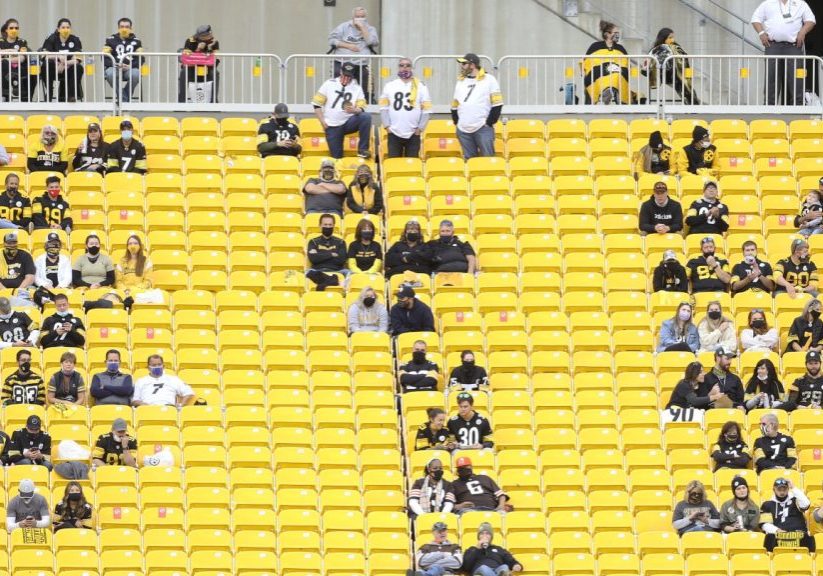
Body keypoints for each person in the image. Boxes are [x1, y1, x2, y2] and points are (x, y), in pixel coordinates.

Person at [751, 0, 816, 106]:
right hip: (772, 46)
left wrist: (803, 32)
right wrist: (761, 33)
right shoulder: (768, 3)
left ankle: (797, 108)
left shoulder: (800, 3)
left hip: (794, 46)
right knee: (771, 77)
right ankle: (769, 107)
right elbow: (755, 19)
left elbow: (811, 20)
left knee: (796, 78)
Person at [311, 62, 371, 160]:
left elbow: (362, 107)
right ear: (341, 72)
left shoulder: (357, 87)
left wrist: (355, 110)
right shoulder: (329, 84)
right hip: (332, 125)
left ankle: (363, 149)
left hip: (348, 122)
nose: (346, 78)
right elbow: (316, 104)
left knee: (365, 117)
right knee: (336, 157)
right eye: (345, 75)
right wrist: (322, 121)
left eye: (349, 76)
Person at [452, 53, 503, 159]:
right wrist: (457, 122)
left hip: (482, 127)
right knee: (469, 161)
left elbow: (497, 103)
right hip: (463, 129)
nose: (462, 66)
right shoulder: (461, 81)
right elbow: (455, 104)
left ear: (472, 65)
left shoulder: (489, 79)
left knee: (488, 159)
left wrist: (489, 123)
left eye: (464, 64)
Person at [380, 57, 432, 158]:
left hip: (413, 133)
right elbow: (383, 108)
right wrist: (387, 126)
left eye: (408, 65)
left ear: (412, 68)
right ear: (398, 68)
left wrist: (420, 129)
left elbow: (427, 110)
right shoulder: (389, 85)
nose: (405, 68)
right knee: (394, 165)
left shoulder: (421, 86)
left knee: (412, 165)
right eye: (402, 65)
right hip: (394, 132)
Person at [328, 6, 379, 104]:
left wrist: (363, 28)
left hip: (362, 62)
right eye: (357, 16)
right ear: (353, 17)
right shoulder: (343, 27)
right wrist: (348, 46)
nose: (360, 19)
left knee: (366, 78)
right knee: (337, 79)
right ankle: (335, 100)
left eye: (362, 17)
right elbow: (331, 40)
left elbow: (372, 42)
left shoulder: (370, 29)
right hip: (342, 60)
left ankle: (366, 100)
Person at [583, 21, 636, 105]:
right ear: (607, 34)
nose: (617, 35)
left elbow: (625, 63)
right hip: (599, 72)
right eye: (615, 33)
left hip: (617, 72)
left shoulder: (620, 48)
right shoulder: (595, 46)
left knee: (617, 74)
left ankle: (609, 90)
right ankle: (608, 90)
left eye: (618, 33)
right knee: (602, 72)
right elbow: (588, 62)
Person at [646, 27, 700, 104]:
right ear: (663, 38)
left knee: (684, 86)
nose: (672, 40)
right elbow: (649, 64)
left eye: (673, 37)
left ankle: (692, 105)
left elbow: (684, 60)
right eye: (670, 38)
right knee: (683, 85)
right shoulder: (657, 49)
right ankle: (692, 105)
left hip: (677, 75)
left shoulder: (676, 47)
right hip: (666, 75)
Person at [760, 478, 815, 551]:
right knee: (769, 539)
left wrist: (793, 488)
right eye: (779, 489)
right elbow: (764, 524)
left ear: (788, 489)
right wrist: (777, 530)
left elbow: (806, 504)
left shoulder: (795, 500)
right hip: (778, 536)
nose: (782, 492)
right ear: (774, 489)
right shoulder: (767, 504)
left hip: (798, 535)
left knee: (808, 538)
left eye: (784, 489)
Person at [40, 18, 84, 102]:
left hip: (68, 68)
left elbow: (77, 59)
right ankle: (49, 92)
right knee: (46, 65)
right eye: (63, 27)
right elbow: (44, 55)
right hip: (53, 67)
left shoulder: (75, 40)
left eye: (68, 27)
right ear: (58, 29)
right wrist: (58, 57)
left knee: (79, 68)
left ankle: (71, 95)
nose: (66, 30)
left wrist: (64, 64)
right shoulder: (51, 38)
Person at [103, 17, 144, 103]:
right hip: (114, 67)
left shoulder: (137, 42)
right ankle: (124, 98)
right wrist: (115, 64)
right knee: (110, 74)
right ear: (118, 28)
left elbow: (141, 58)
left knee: (136, 74)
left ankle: (123, 97)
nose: (124, 29)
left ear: (131, 28)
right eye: (122, 26)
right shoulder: (110, 40)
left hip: (130, 68)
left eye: (127, 27)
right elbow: (104, 57)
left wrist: (130, 66)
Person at [305, 213, 347, 291]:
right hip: (317, 271)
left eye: (330, 225)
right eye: (325, 224)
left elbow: (341, 260)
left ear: (334, 226)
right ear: (320, 225)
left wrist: (320, 255)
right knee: (307, 273)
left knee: (350, 274)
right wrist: (331, 254)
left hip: (337, 270)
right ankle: (332, 281)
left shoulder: (341, 242)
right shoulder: (313, 242)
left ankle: (329, 282)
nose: (328, 227)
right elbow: (313, 259)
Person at [178, 24, 219, 103]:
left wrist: (209, 49)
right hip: (191, 67)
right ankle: (181, 102)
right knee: (183, 73)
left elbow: (216, 60)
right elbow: (188, 58)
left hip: (207, 68)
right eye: (202, 36)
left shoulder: (214, 42)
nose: (204, 38)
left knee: (215, 73)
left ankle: (214, 102)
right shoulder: (190, 40)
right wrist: (198, 49)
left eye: (206, 36)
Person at [0, 19, 36, 103]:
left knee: (33, 72)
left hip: (19, 69)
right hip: (3, 70)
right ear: (6, 30)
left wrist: (5, 58)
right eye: (11, 28)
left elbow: (22, 58)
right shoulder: (1, 42)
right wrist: (10, 51)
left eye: (16, 28)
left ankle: (26, 98)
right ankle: (6, 94)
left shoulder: (22, 42)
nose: (14, 30)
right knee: (4, 64)